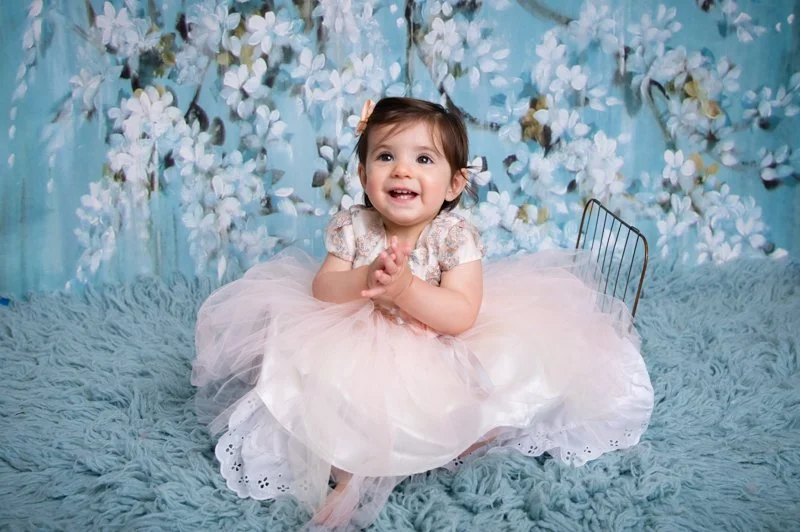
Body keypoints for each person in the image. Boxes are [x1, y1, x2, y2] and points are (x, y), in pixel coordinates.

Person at [191, 97, 654, 530]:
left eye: (424, 159)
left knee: (499, 381)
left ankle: (448, 444)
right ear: (363, 172)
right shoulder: (354, 226)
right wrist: (365, 280)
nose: (402, 171)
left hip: (434, 343)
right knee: (318, 382)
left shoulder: (453, 237)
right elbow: (322, 290)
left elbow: (461, 314)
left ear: (455, 183)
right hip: (356, 335)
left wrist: (406, 289)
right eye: (386, 156)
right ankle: (355, 468)